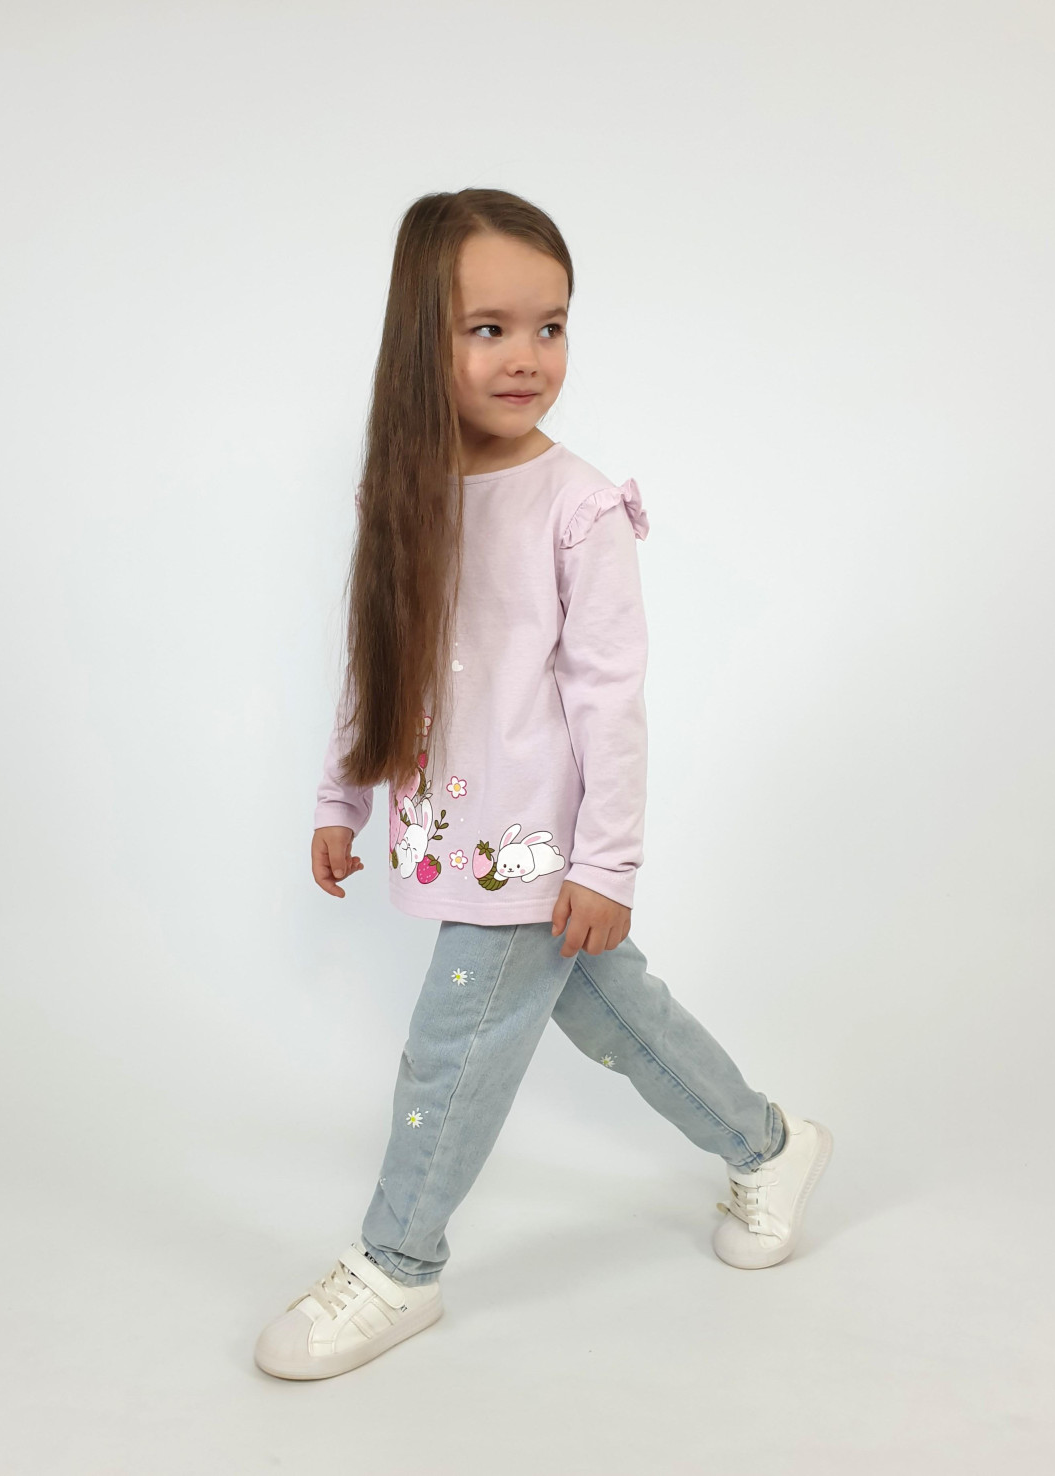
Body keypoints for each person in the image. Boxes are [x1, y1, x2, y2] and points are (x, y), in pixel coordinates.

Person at [254, 188, 833, 1382]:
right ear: (422, 338)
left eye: (551, 326)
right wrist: (340, 797)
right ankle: (769, 1148)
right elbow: (377, 655)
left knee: (451, 1047)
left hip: (535, 843)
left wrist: (607, 863)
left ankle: (397, 1264)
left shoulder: (578, 509)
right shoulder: (406, 492)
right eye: (489, 329)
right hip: (452, 831)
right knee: (614, 1015)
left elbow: (609, 699)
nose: (528, 356)